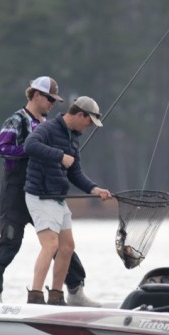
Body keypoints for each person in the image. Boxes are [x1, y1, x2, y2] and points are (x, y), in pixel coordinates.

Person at [0, 76, 100, 306]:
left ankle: (75, 290)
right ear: (36, 95)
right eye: (49, 99)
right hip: (15, 191)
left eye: (55, 101)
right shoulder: (17, 120)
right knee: (9, 242)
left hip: (41, 191)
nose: (53, 104)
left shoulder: (49, 124)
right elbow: (0, 148)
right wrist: (35, 150)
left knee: (62, 245)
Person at [23, 96, 112, 305]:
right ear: (80, 114)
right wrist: (59, 156)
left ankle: (56, 296)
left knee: (67, 246)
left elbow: (75, 173)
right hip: (40, 196)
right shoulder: (48, 128)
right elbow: (30, 145)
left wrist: (94, 189)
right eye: (89, 121)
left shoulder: (73, 138)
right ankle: (35, 296)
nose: (89, 126)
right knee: (50, 245)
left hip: (58, 199)